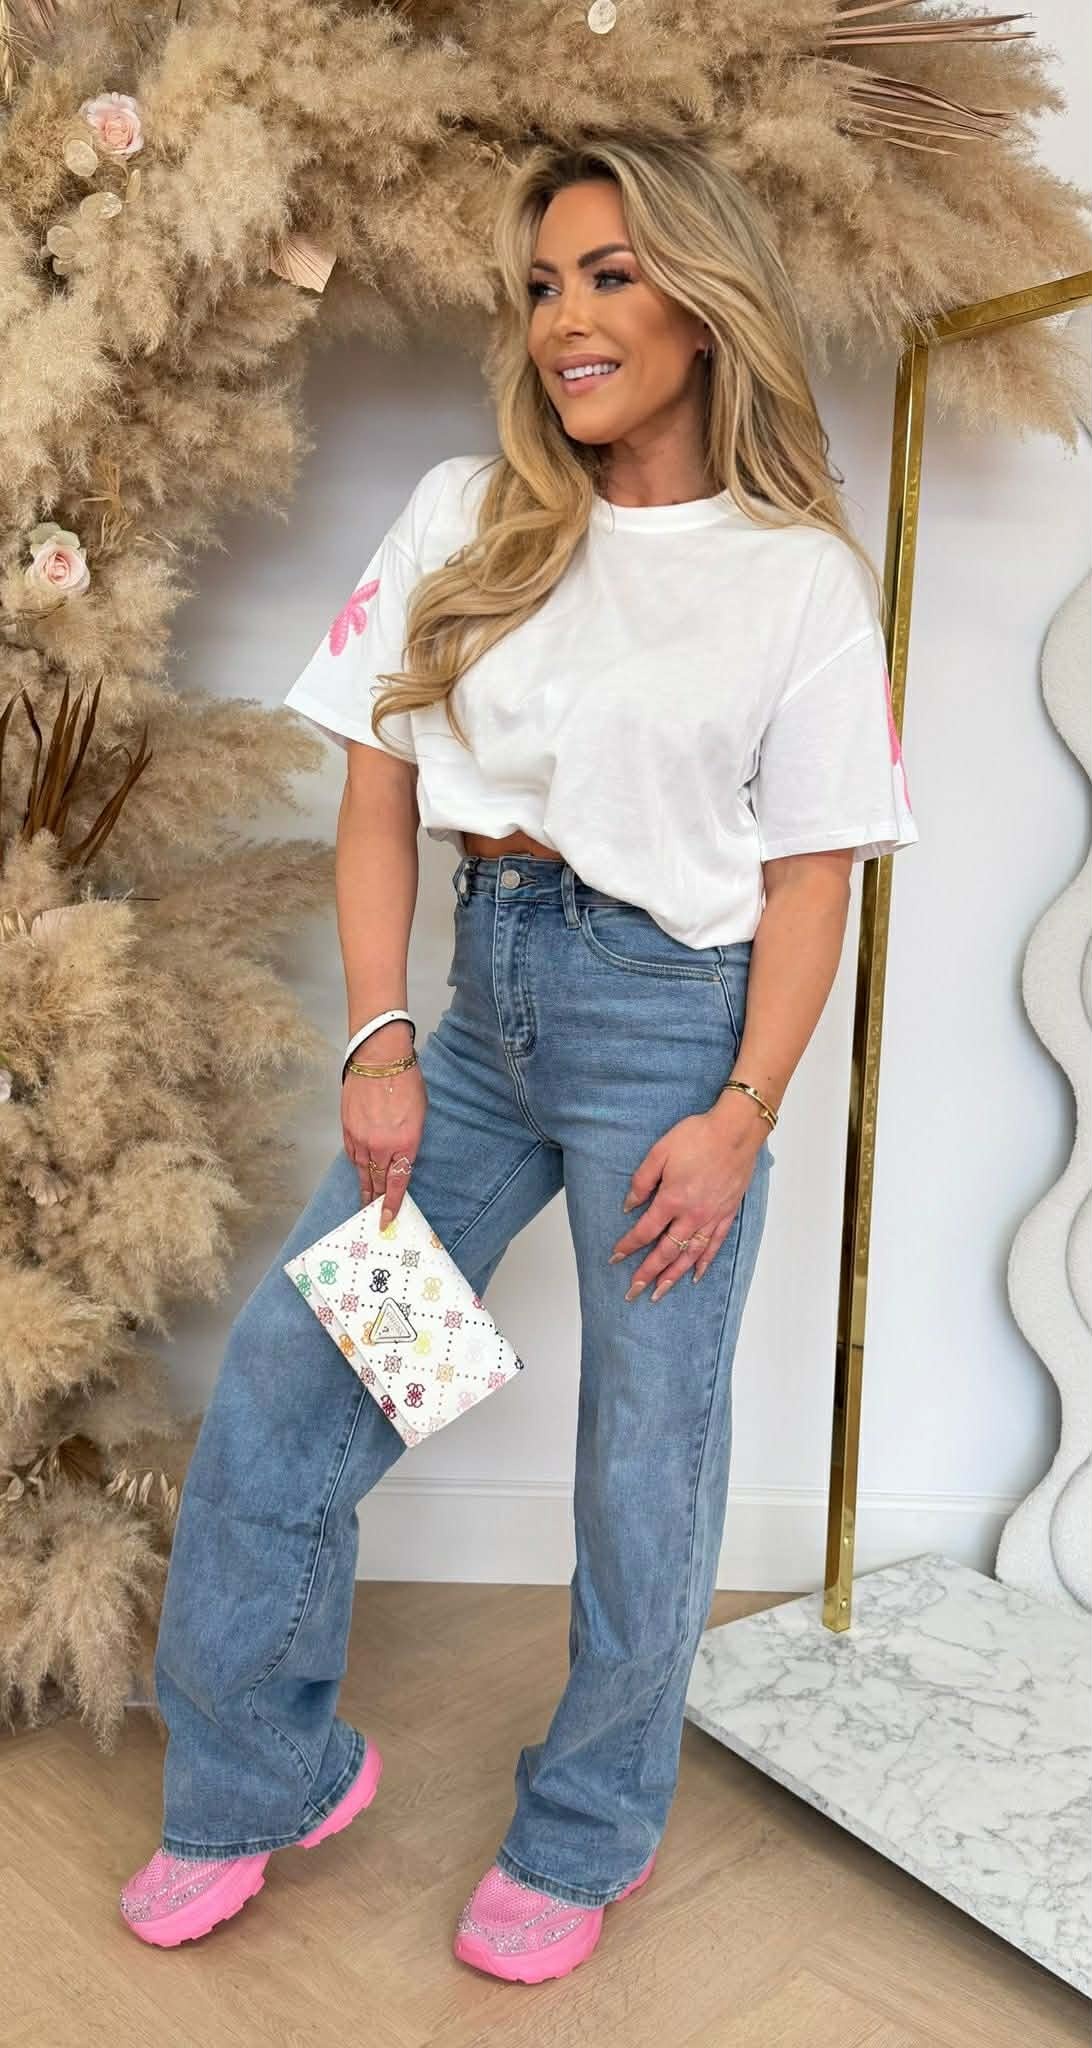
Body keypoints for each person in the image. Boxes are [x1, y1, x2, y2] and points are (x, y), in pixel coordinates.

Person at [119, 127, 918, 1983]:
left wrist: (741, 1115)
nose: (569, 317)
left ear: (702, 308)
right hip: (484, 1029)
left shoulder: (795, 578)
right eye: (547, 282)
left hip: (672, 1043)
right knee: (298, 1387)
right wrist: (381, 1034)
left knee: (644, 1462)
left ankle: (587, 1826)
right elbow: (375, 792)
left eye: (612, 275)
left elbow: (814, 881)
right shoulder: (466, 511)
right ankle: (263, 1776)